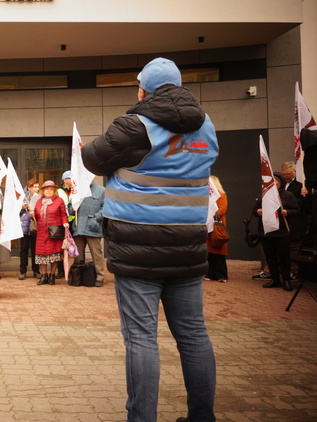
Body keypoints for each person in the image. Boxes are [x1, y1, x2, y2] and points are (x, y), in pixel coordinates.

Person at [82, 57, 218, 422]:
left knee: (141, 338)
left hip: (137, 248)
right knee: (193, 334)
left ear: (144, 90)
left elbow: (92, 158)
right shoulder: (206, 126)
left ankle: (142, 418)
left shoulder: (134, 125)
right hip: (188, 246)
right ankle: (202, 416)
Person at [253, 173, 300, 291]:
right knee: (270, 257)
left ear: (280, 183)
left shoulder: (288, 195)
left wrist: (287, 213)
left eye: (275, 182)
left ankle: (286, 280)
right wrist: (258, 211)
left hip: (282, 232)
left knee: (284, 256)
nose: (273, 184)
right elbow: (254, 210)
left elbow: (297, 210)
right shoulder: (264, 195)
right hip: (266, 232)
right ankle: (275, 279)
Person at [32, 180, 68, 285]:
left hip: (54, 232)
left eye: (51, 189)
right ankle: (44, 276)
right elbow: (36, 217)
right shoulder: (39, 202)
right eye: (46, 189)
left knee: (54, 255)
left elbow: (63, 214)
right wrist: (32, 215)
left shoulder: (59, 201)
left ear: (54, 191)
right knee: (41, 255)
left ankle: (52, 276)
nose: (48, 191)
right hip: (41, 233)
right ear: (43, 191)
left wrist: (65, 223)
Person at [71, 179, 106, 287]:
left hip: (92, 228)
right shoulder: (77, 191)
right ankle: (78, 278)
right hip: (78, 228)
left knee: (96, 254)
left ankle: (100, 277)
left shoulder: (101, 190)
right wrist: (72, 208)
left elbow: (106, 207)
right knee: (78, 256)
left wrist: (96, 218)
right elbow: (70, 208)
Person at [279, 161, 310, 279]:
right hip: (282, 222)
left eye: (288, 174)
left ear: (294, 172)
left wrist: (303, 196)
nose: (285, 176)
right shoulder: (281, 184)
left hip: (296, 221)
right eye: (283, 174)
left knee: (293, 248)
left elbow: (305, 205)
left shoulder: (301, 185)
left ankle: (293, 271)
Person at [205, 176, 229, 283]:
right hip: (208, 226)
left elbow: (222, 210)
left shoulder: (222, 195)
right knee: (209, 251)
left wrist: (210, 215)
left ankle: (221, 274)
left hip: (216, 227)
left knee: (218, 250)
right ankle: (210, 273)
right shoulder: (207, 197)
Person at [19, 179, 41, 280]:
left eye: (38, 187)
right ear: (29, 187)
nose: (37, 189)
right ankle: (22, 271)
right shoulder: (21, 196)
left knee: (35, 250)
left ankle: (36, 270)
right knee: (23, 250)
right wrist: (21, 208)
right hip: (24, 227)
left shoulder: (39, 197)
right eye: (35, 187)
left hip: (35, 227)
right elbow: (14, 211)